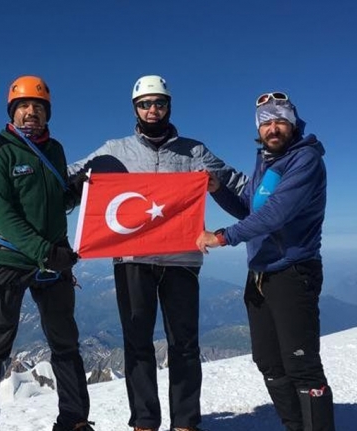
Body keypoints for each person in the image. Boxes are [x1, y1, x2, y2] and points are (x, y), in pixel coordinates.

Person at [67, 75, 247, 431]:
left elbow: (238, 187)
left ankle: (185, 423)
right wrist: (80, 181)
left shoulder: (195, 152)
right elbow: (69, 177)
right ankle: (145, 423)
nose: (152, 110)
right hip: (133, 260)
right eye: (145, 103)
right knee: (137, 345)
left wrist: (273, 206)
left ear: (169, 106)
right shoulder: (114, 150)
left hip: (182, 260)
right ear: (135, 109)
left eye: (159, 103)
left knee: (184, 345)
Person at [196, 92, 335, 430]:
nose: (273, 128)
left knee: (301, 365)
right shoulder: (268, 162)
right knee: (269, 362)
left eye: (280, 120)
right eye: (266, 122)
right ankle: (295, 426)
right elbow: (251, 207)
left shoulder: (305, 161)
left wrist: (222, 237)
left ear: (293, 123)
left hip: (293, 273)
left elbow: (276, 214)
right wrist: (218, 190)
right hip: (260, 275)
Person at [0, 75, 93, 431]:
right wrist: (44, 251)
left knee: (65, 342)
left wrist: (77, 192)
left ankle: (73, 421)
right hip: (10, 261)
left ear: (46, 114)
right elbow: (3, 215)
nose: (30, 113)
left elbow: (55, 201)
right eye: (23, 106)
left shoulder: (54, 150)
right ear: (12, 111)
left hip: (53, 261)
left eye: (37, 107)